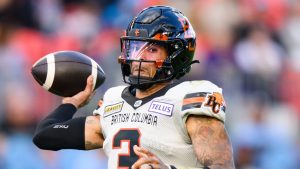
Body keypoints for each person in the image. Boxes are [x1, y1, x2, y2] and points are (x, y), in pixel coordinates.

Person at [33, 6, 235, 169]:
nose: (139, 57)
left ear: (177, 55)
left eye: (152, 49)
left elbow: (222, 166)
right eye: (135, 47)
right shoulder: (114, 100)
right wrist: (71, 103)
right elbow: (45, 136)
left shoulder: (188, 97)